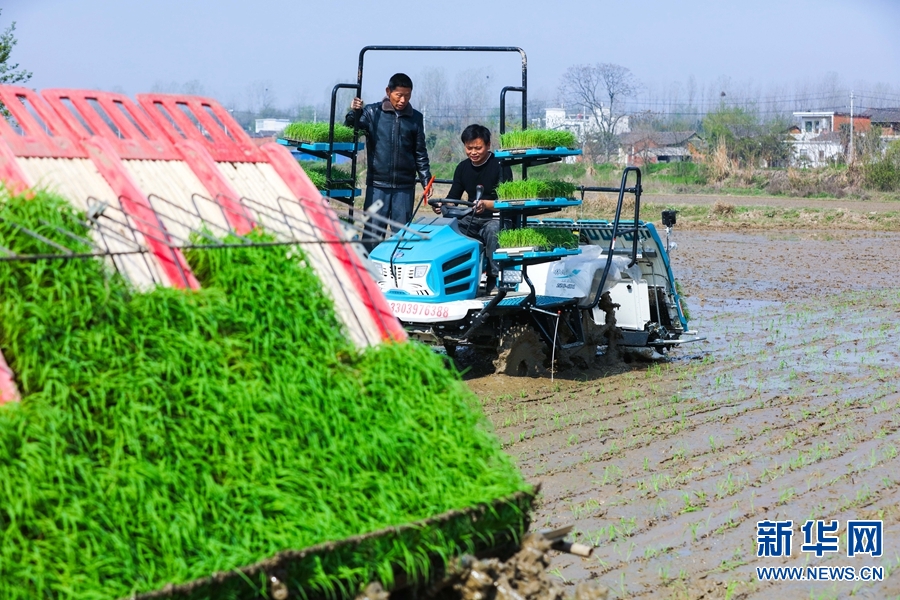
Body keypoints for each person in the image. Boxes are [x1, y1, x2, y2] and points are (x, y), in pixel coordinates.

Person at [345, 73, 432, 250]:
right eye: (399, 95)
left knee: (402, 236)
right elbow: (351, 127)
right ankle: (368, 273)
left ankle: (399, 274)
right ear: (388, 91)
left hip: (404, 187)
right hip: (378, 185)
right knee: (372, 234)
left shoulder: (415, 118)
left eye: (407, 95)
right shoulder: (372, 113)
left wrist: (426, 180)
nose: (402, 100)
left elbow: (420, 152)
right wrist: (354, 112)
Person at [433, 124, 512, 294]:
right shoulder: (462, 168)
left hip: (496, 217)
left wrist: (486, 204)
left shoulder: (500, 165)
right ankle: (453, 278)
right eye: (469, 148)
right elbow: (453, 197)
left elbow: (508, 200)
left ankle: (493, 279)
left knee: (493, 230)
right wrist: (443, 206)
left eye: (478, 148)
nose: (473, 152)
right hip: (471, 217)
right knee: (448, 230)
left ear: (488, 145)